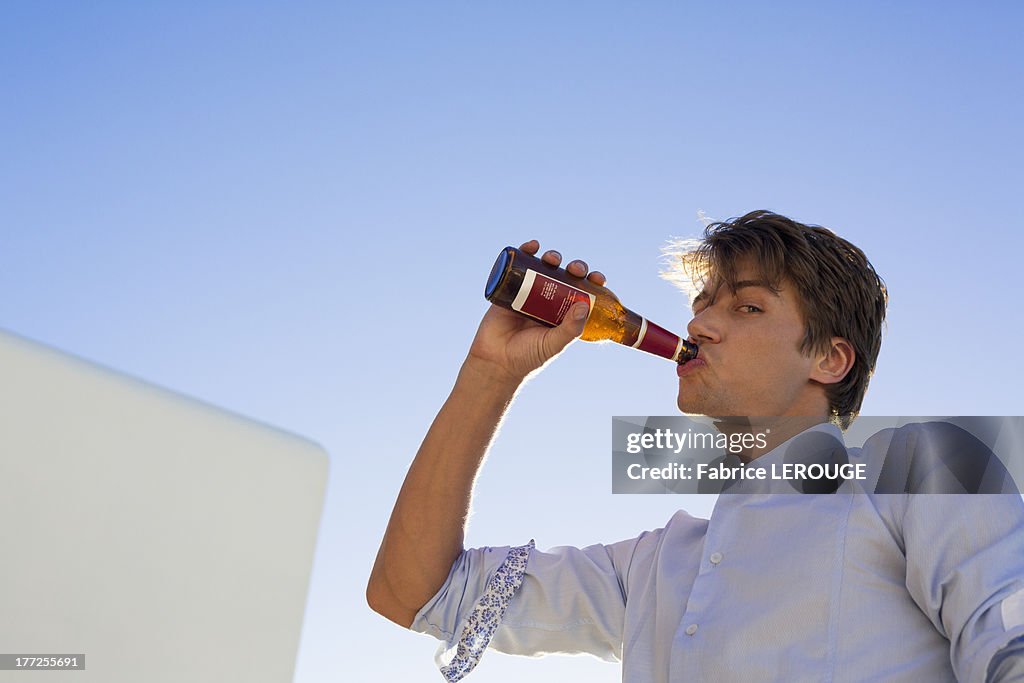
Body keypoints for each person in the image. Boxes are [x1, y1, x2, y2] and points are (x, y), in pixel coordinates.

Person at [367, 211, 1024, 681]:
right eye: (702, 302)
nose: (699, 323)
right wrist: (491, 371)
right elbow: (415, 592)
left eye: (746, 308)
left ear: (829, 357)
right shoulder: (654, 565)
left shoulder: (926, 464)